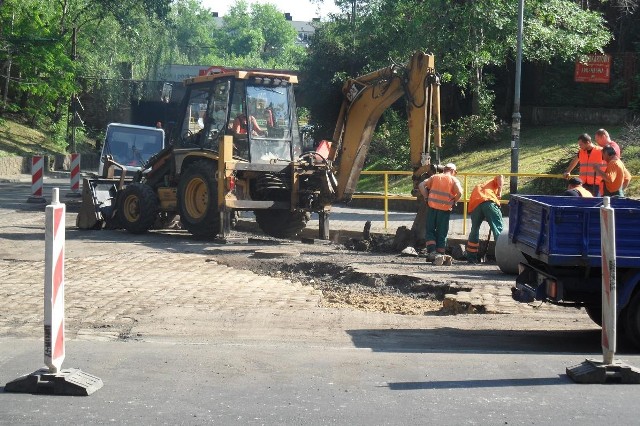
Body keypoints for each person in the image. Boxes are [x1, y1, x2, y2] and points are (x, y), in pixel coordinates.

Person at [418, 163, 463, 266]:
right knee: (442, 232)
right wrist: (454, 201)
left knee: (430, 230)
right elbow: (460, 192)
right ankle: (440, 253)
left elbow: (421, 185)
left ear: (444, 169)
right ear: (452, 171)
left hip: (432, 207)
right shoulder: (453, 180)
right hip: (445, 210)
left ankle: (432, 252)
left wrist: (426, 197)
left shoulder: (435, 177)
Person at [465, 175, 504, 264]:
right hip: (489, 202)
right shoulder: (493, 182)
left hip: (476, 204)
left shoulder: (480, 186)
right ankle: (502, 257)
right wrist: (499, 193)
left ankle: (471, 257)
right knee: (498, 229)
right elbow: (500, 176)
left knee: (474, 229)